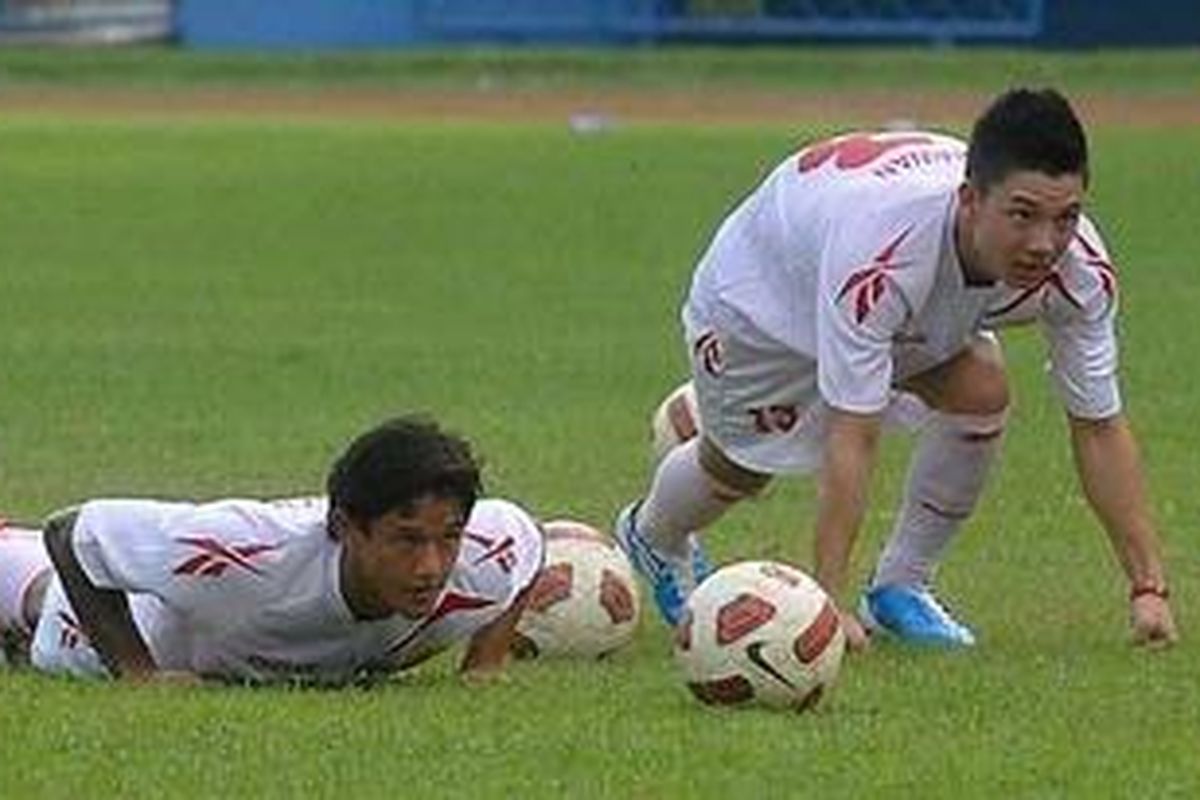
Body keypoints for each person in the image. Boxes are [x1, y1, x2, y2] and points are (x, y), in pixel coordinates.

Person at [615, 88, 1177, 650]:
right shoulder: (883, 253)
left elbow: (1099, 426)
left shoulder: (1081, 272)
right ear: (971, 199)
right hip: (765, 297)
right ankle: (654, 537)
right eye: (1023, 215)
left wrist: (1148, 588)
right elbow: (853, 434)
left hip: (892, 298)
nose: (1045, 243)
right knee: (739, 468)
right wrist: (825, 609)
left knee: (980, 388)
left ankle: (899, 587)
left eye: (1066, 217)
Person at [0, 414, 545, 684]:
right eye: (405, 541)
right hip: (129, 622)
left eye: (447, 537)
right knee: (42, 605)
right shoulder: (245, 553)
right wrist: (139, 677)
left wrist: (484, 664)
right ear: (346, 527)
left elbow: (528, 542)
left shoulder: (485, 554)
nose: (431, 567)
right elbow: (73, 533)